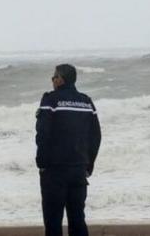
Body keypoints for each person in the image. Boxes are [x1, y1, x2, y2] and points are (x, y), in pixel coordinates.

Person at [35, 64, 101, 236]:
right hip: (78, 169)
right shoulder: (86, 102)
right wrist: (88, 165)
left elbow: (43, 134)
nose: (52, 80)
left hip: (54, 170)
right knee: (78, 219)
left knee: (53, 221)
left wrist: (41, 163)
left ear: (60, 79)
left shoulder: (51, 100)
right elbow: (95, 136)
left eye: (53, 77)